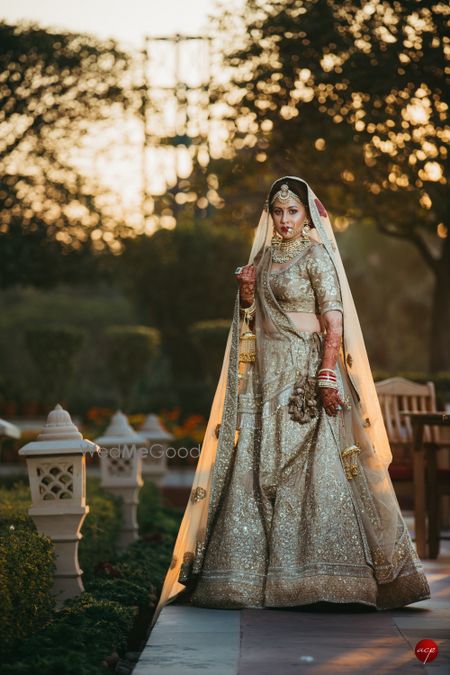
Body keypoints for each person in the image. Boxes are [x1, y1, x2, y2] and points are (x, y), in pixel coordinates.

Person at [150, 176, 430, 628]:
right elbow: (250, 321)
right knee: (258, 465)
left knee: (311, 466)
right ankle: (251, 579)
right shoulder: (260, 258)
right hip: (266, 376)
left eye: (292, 212)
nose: (283, 221)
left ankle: (323, 580)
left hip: (304, 375)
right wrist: (245, 293)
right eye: (277, 212)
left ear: (307, 215)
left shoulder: (316, 255)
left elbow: (332, 322)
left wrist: (324, 374)